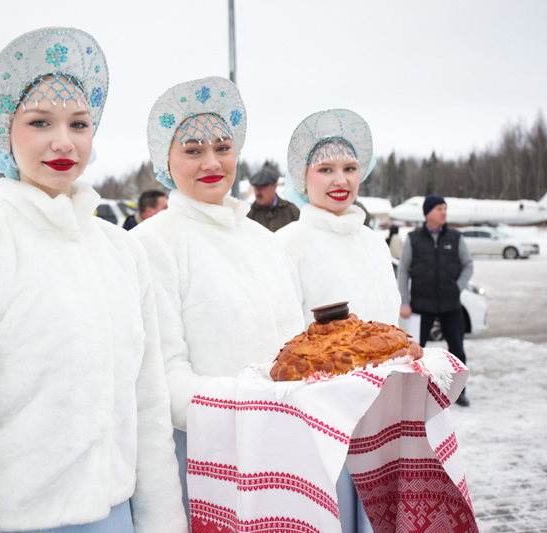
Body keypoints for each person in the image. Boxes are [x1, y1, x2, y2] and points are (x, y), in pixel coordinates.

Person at [0, 27, 186, 533]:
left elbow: (147, 408)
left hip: (119, 516)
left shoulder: (123, 252)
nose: (64, 141)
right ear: (2, 133)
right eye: (40, 122)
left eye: (79, 123)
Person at [131, 76, 304, 522]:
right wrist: (251, 405)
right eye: (192, 150)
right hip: (204, 460)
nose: (211, 161)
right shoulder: (153, 243)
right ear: (164, 161)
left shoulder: (262, 240)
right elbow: (161, 379)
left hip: (282, 448)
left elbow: (294, 347)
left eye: (223, 147)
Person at [276, 109, 394, 533]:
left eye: (349, 168)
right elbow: (284, 342)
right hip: (322, 422)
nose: (340, 180)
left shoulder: (373, 242)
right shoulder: (288, 244)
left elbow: (390, 325)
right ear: (301, 177)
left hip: (381, 414)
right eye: (325, 169)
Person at [397, 195, 473, 407]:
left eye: (445, 208)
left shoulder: (456, 238)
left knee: (457, 350)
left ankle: (459, 392)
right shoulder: (413, 239)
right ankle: (413, 395)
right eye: (440, 208)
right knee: (416, 352)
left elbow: (468, 265)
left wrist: (456, 288)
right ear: (428, 212)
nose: (444, 212)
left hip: (451, 306)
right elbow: (403, 271)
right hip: (422, 307)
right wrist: (405, 301)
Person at [246, 165, 299, 231]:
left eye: (261, 187)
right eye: (255, 188)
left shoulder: (291, 211)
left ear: (274, 186)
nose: (257, 192)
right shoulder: (249, 215)